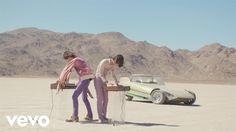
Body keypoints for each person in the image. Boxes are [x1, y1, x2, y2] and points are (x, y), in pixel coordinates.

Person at [57, 51, 94, 122]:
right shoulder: (79, 60)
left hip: (84, 79)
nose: (68, 61)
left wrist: (61, 80)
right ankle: (90, 115)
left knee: (74, 96)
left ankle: (75, 116)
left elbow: (67, 70)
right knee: (84, 98)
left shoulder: (75, 60)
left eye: (67, 59)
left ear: (70, 56)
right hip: (86, 79)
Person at [94, 54, 124, 123]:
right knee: (100, 99)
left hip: (104, 80)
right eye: (117, 63)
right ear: (115, 59)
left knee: (106, 99)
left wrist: (117, 83)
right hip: (98, 79)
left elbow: (113, 75)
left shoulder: (113, 65)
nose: (116, 65)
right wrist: (104, 80)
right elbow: (99, 73)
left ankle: (104, 116)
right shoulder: (104, 61)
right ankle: (100, 118)